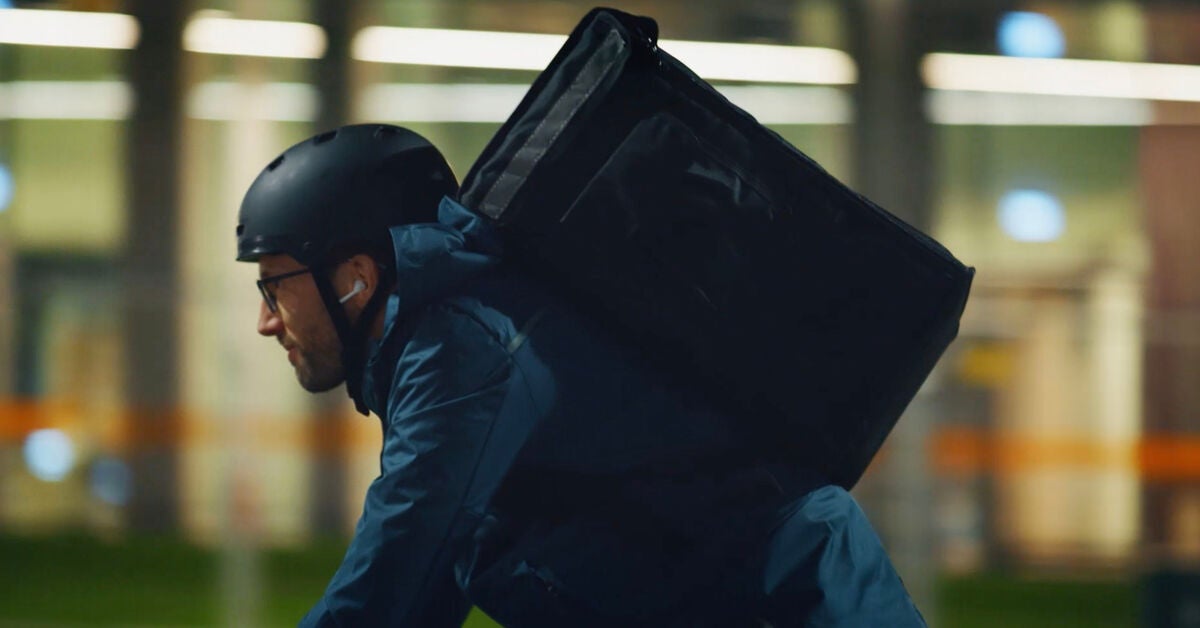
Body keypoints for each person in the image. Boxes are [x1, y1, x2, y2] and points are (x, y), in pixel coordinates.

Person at [237, 123, 926, 627]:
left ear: (355, 279)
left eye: (275, 287)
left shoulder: (467, 346)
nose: (267, 321)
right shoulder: (449, 336)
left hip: (796, 605)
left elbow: (400, 568)